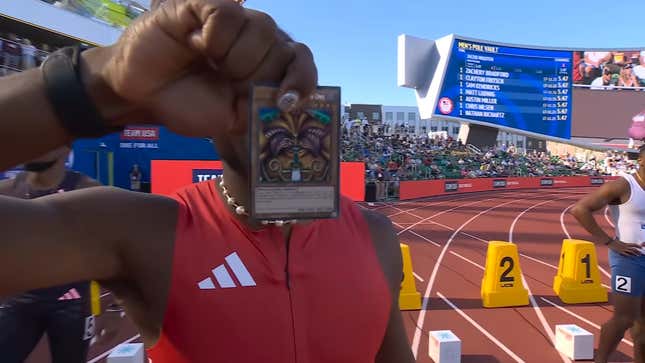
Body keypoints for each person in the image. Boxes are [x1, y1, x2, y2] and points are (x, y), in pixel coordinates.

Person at [0, 0, 415, 362]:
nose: (267, 112)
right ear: (208, 111)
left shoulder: (375, 236)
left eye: (282, 89)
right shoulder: (146, 233)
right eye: (243, 91)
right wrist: (105, 84)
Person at [0, 145, 101, 363]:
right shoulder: (7, 191)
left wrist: (115, 306)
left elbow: (109, 250)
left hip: (70, 303)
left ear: (65, 148)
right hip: (19, 300)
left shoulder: (88, 192)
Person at [571, 144, 645, 363]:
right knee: (624, 319)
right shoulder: (624, 185)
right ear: (641, 160)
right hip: (629, 260)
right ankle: (601, 360)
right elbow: (580, 209)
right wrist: (609, 241)